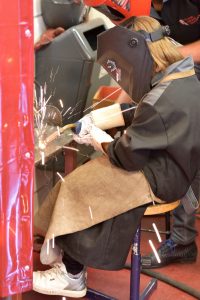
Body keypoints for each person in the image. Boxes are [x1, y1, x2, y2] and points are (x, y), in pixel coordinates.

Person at [33, 16, 200, 298]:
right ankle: (61, 241)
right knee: (91, 173)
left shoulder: (161, 101)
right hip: (175, 166)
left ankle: (71, 275)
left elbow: (126, 156)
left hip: (160, 177)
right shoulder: (182, 76)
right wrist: (98, 118)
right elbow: (146, 110)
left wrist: (98, 139)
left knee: (84, 186)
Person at [87, 0, 200, 268]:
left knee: (186, 148)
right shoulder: (136, 6)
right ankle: (181, 236)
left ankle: (183, 239)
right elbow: (138, 63)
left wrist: (166, 53)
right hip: (175, 67)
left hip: (187, 69)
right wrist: (119, 108)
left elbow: (155, 55)